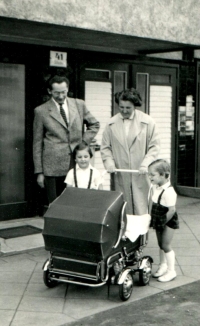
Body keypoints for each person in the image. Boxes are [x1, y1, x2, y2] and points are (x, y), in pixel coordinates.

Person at [33, 75, 100, 203]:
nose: (60, 96)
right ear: (49, 91)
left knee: (77, 201)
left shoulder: (79, 104)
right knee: (56, 205)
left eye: (63, 92)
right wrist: (39, 172)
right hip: (52, 167)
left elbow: (94, 124)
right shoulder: (41, 111)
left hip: (76, 163)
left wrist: (83, 144)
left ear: (67, 89)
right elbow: (37, 143)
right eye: (56, 93)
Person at [101, 88, 160, 215]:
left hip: (141, 173)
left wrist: (146, 164)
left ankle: (141, 234)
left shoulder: (148, 122)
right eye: (121, 107)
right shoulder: (111, 124)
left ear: (135, 105)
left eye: (128, 108)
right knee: (122, 210)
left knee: (141, 209)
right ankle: (124, 234)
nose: (124, 111)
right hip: (120, 173)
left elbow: (154, 147)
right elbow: (105, 147)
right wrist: (109, 163)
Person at [148, 159, 179, 282]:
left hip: (167, 220)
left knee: (166, 245)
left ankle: (171, 271)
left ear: (163, 175)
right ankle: (163, 265)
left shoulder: (169, 191)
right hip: (159, 218)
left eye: (152, 175)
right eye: (149, 174)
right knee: (160, 244)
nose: (150, 177)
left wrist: (162, 222)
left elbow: (171, 211)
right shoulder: (157, 186)